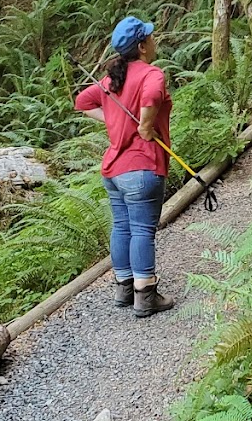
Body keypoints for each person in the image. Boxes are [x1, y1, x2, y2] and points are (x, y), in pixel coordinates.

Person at [74, 16, 176, 318]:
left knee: (122, 227)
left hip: (114, 170)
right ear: (142, 46)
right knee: (143, 230)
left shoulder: (111, 81)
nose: (154, 40)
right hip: (142, 167)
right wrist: (144, 125)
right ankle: (145, 294)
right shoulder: (151, 74)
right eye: (150, 37)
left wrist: (113, 118)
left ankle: (124, 287)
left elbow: (81, 102)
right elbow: (153, 95)